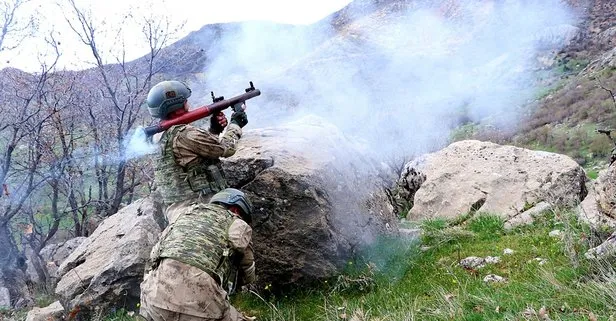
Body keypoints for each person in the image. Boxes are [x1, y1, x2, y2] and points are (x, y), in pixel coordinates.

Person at [140, 188, 256, 321]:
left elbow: (154, 255)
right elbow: (248, 271)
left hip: (153, 304)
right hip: (201, 309)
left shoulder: (185, 214)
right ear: (236, 210)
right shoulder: (238, 224)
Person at [145, 80, 249, 222]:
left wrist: (214, 130)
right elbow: (227, 149)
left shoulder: (156, 137)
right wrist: (236, 123)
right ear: (178, 105)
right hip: (201, 209)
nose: (189, 103)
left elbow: (194, 152)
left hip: (177, 212)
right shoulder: (185, 134)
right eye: (186, 100)